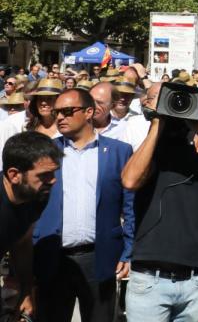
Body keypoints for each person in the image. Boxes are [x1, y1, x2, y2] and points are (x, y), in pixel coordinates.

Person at [120, 86, 198, 322]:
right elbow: (130, 180)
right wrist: (157, 124)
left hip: (196, 280)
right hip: (149, 279)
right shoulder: (153, 153)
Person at [33, 88, 135, 322]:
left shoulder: (119, 152)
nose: (60, 117)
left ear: (89, 112)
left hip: (99, 257)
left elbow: (130, 206)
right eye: (58, 112)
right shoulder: (46, 151)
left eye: (68, 111)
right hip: (52, 257)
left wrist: (129, 251)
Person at [1, 131, 61, 319]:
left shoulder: (36, 196)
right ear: (14, 175)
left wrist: (26, 290)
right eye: (44, 175)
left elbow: (23, 242)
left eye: (54, 172)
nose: (53, 180)